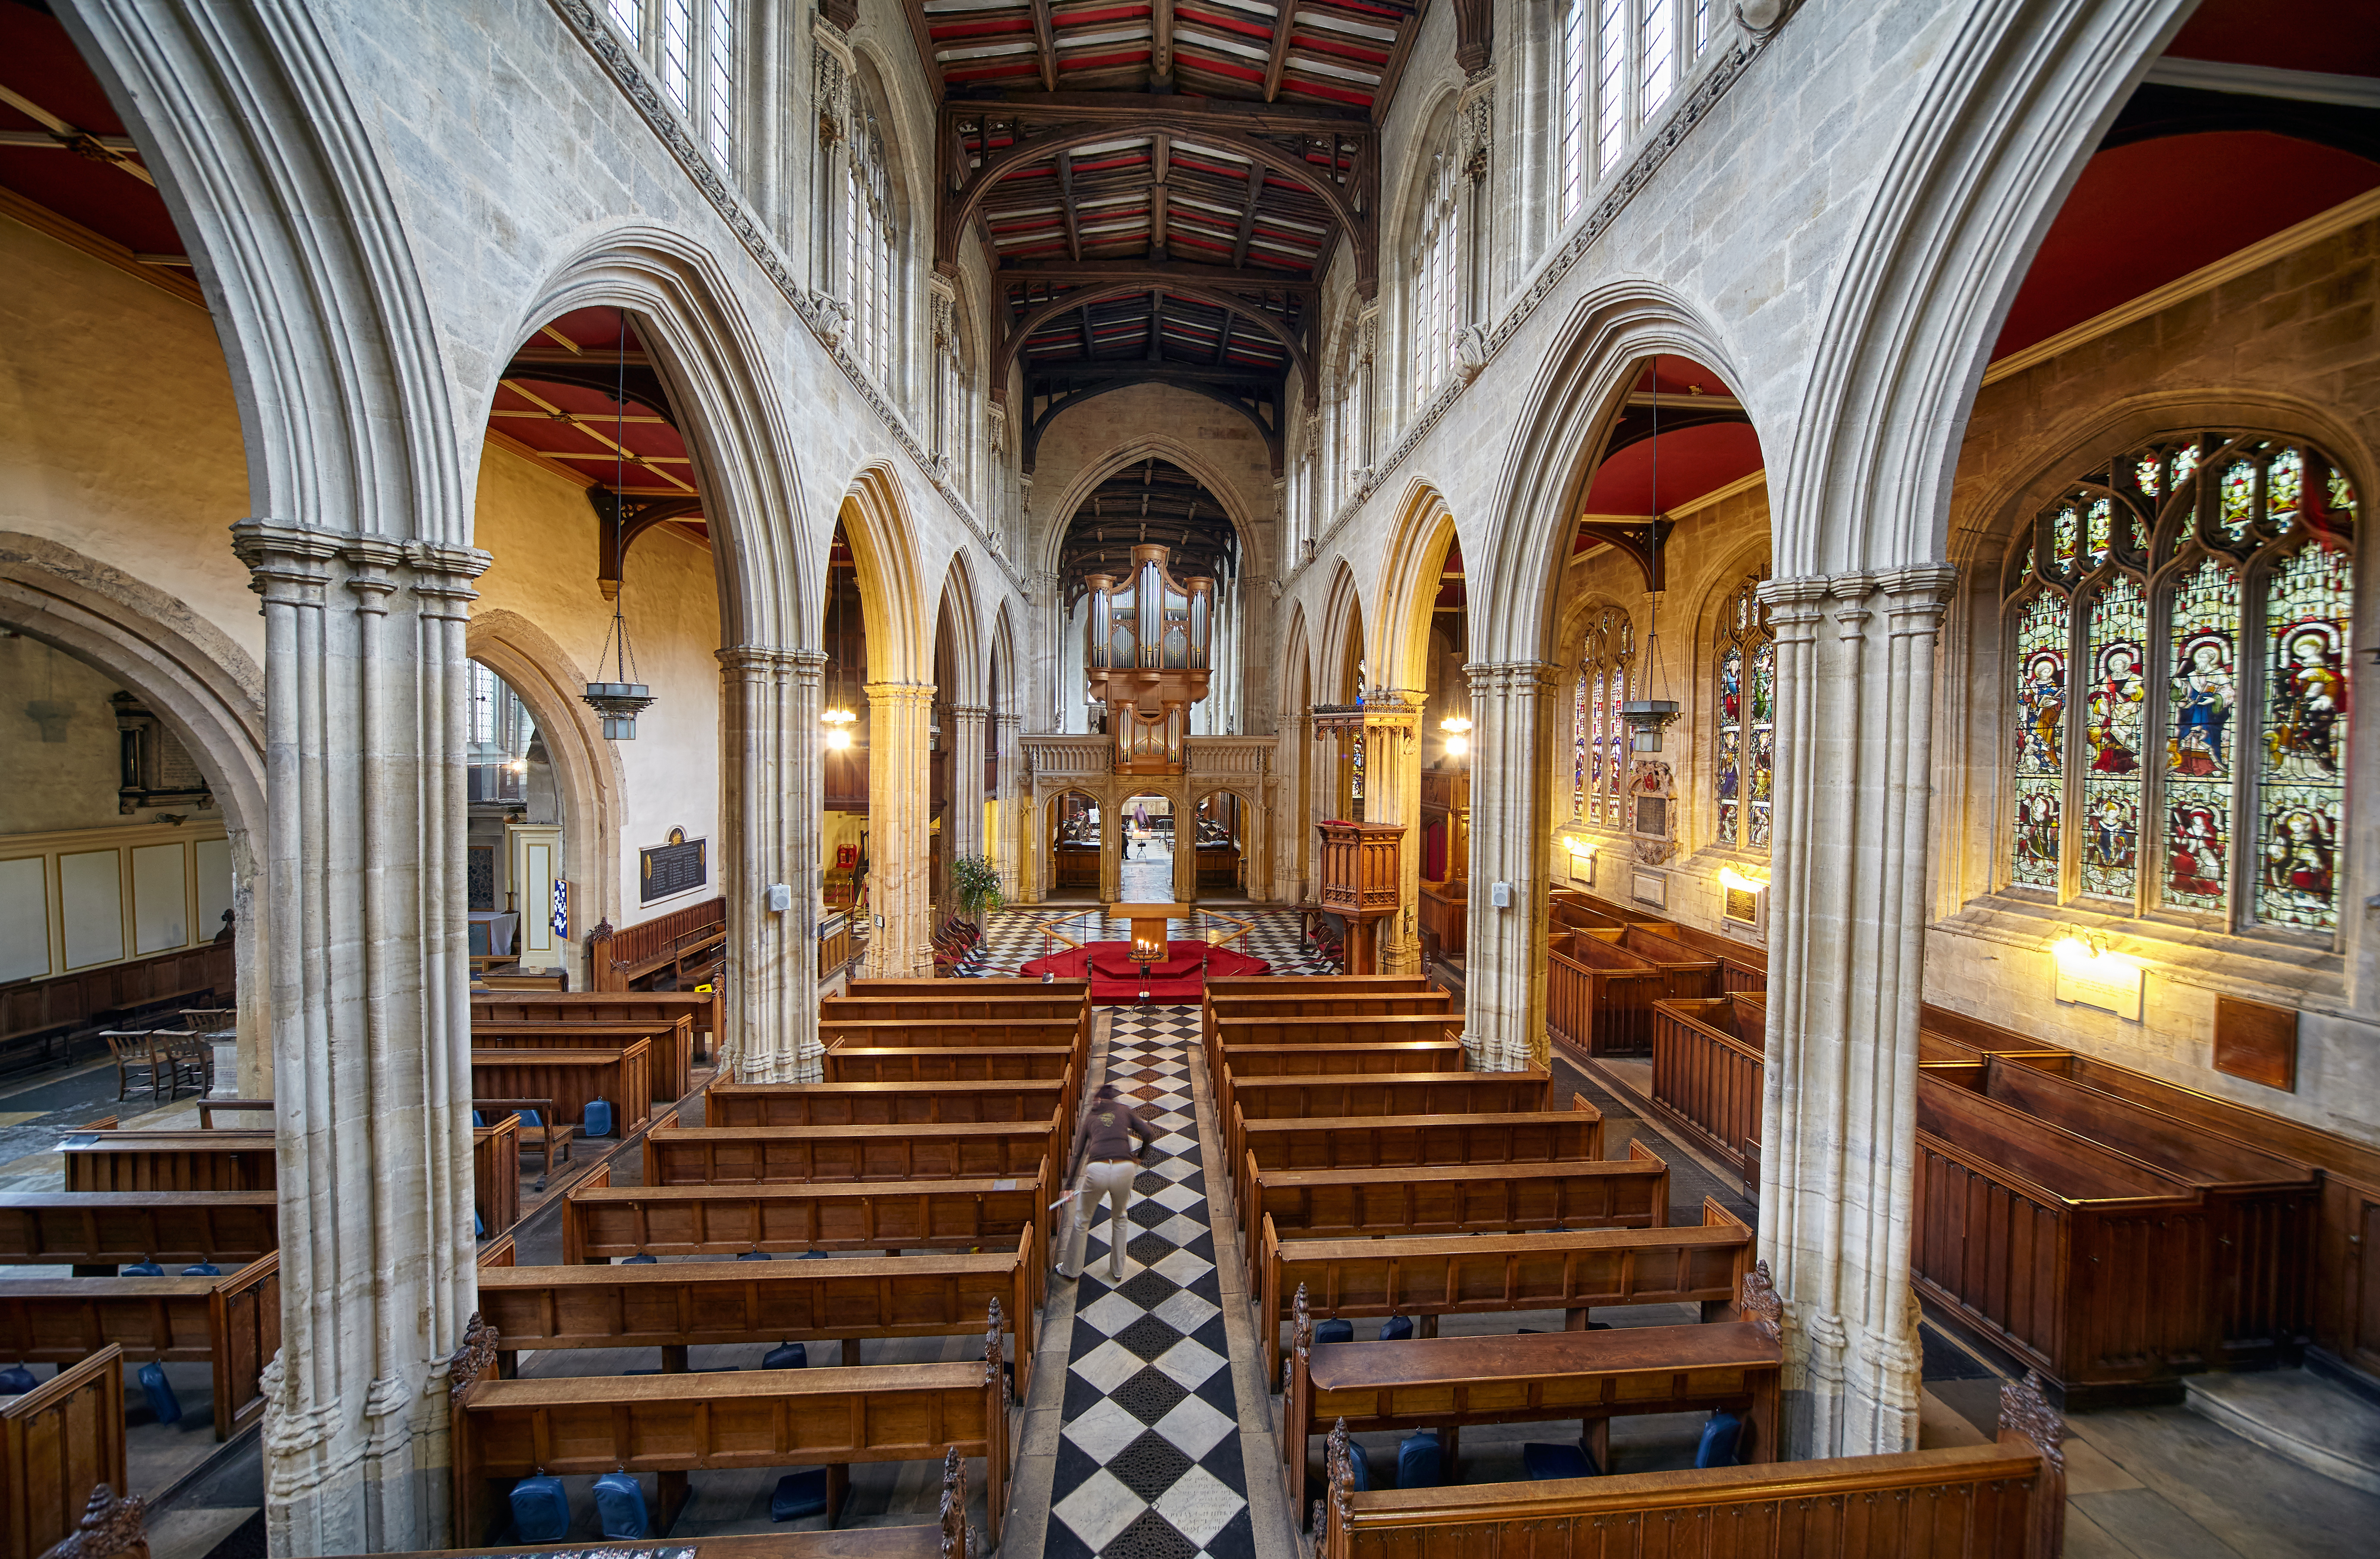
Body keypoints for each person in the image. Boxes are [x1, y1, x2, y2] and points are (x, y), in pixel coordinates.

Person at [1055, 1081, 1159, 1282]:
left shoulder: (1091, 1117)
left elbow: (1078, 1154)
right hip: (1124, 1167)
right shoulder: (1124, 1110)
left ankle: (1071, 1270)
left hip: (1098, 1169)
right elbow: (1148, 1134)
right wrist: (1140, 1156)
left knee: (1082, 1220)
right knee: (1120, 1217)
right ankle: (1118, 1271)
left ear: (1098, 1099)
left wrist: (1069, 1187)